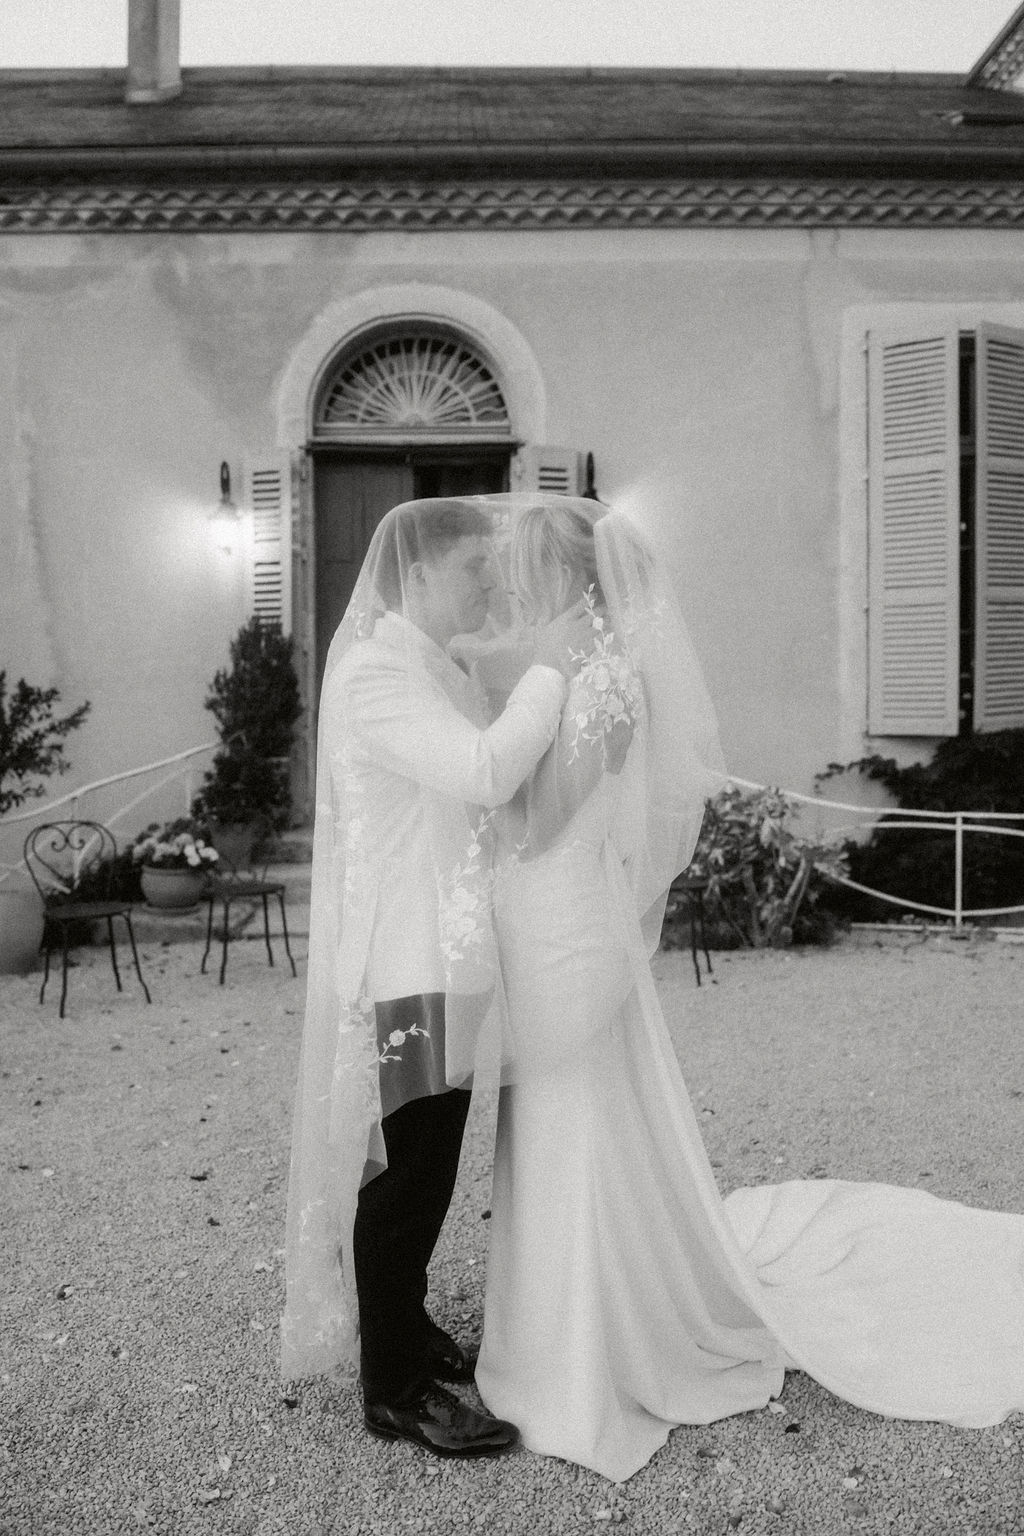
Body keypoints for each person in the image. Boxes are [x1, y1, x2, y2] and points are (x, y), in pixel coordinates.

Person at [471, 493, 1024, 1483]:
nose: (511, 586)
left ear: (559, 576)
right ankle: (565, 1313)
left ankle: (592, 1337)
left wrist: (488, 765)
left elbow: (538, 820)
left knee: (572, 1116)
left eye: (522, 570)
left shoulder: (595, 677)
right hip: (548, 919)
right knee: (554, 1117)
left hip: (561, 921)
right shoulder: (578, 668)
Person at [281, 496, 594, 1458]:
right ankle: (395, 1388)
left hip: (450, 952)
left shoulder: (438, 665)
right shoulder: (377, 674)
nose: (493, 586)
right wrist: (552, 666)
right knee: (405, 1173)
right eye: (474, 572)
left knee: (436, 1160)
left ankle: (408, 1326)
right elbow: (483, 769)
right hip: (404, 962)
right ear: (417, 577)